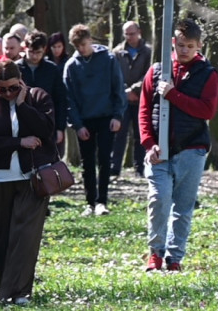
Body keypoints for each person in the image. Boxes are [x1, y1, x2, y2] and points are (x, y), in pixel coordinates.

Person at [139, 19, 218, 272]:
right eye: (180, 45)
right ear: (173, 43)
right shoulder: (157, 70)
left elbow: (207, 110)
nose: (184, 51)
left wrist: (173, 95)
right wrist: (149, 143)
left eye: (190, 46)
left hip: (191, 150)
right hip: (159, 151)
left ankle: (175, 258)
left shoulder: (207, 73)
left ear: (199, 46)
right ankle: (155, 253)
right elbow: (143, 110)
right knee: (159, 200)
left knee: (183, 208)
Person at [0, 60, 56, 305]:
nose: (8, 94)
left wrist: (22, 105)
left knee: (25, 236)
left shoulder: (39, 97)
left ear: (21, 81)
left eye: (13, 88)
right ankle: (0, 289)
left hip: (33, 176)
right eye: (2, 90)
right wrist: (18, 142)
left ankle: (19, 291)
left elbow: (46, 130)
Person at [63, 24, 126, 216]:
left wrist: (117, 115)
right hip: (85, 119)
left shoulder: (108, 59)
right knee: (87, 162)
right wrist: (77, 125)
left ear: (90, 40)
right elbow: (69, 98)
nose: (81, 49)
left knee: (105, 160)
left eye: (83, 44)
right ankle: (90, 202)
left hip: (106, 116)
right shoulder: (71, 66)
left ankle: (102, 201)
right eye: (77, 46)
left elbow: (118, 87)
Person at [112, 21, 152, 177]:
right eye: (126, 34)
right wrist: (124, 91)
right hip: (122, 101)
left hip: (141, 99)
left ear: (139, 32)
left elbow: (149, 73)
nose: (130, 37)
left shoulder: (148, 51)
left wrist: (135, 89)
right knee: (119, 134)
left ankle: (140, 169)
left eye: (132, 33)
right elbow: (114, 75)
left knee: (140, 135)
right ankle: (115, 168)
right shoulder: (116, 52)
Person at [17, 31, 67, 146]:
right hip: (23, 123)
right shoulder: (16, 68)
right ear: (25, 48)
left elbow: (60, 100)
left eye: (38, 52)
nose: (34, 56)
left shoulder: (51, 69)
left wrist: (60, 127)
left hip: (47, 122)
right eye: (31, 52)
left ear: (44, 49)